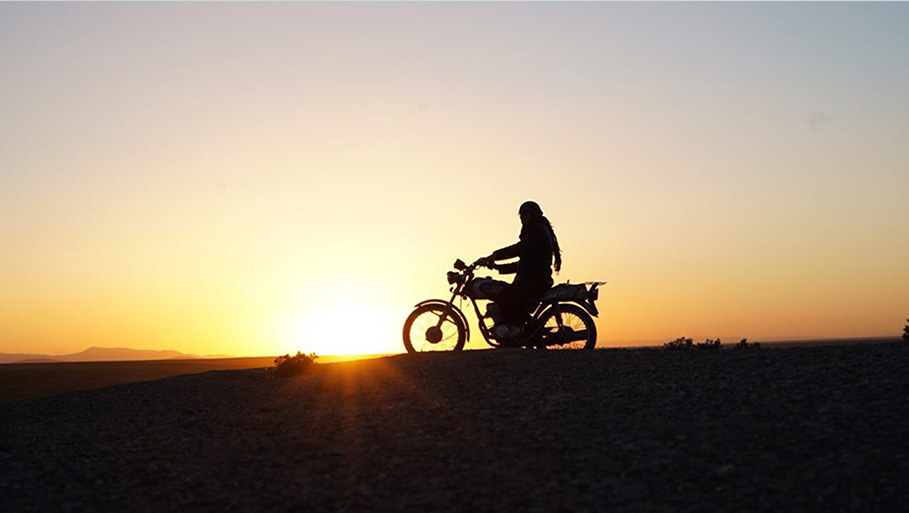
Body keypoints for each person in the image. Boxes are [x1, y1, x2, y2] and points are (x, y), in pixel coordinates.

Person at [482, 200, 562, 341]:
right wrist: (497, 267)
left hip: (535, 281)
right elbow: (522, 264)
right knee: (504, 292)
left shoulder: (537, 231)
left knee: (504, 296)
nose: (523, 218)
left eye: (526, 214)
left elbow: (518, 249)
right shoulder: (534, 231)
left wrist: (495, 256)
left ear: (533, 214)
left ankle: (530, 324)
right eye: (521, 215)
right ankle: (514, 328)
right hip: (531, 279)